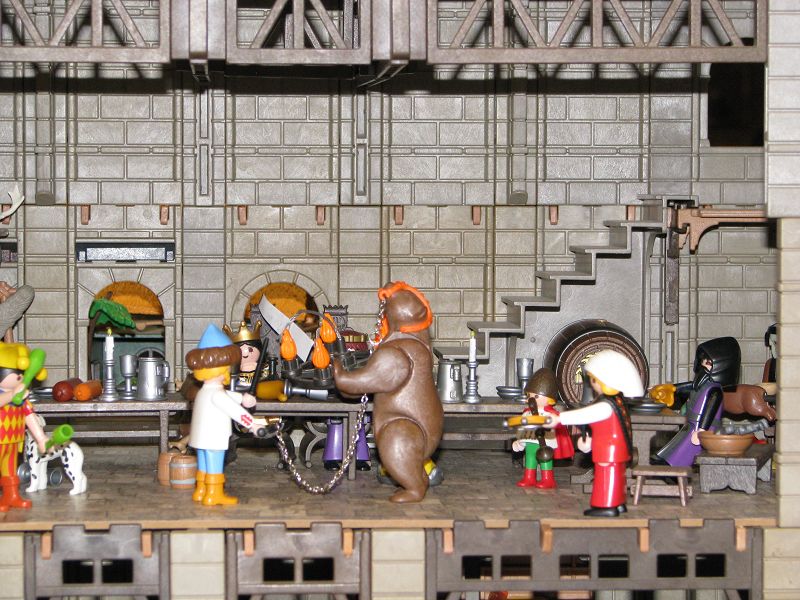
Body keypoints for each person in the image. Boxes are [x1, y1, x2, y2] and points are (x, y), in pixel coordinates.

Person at [333, 281, 442, 503]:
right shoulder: (416, 346)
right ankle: (417, 477)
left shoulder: (397, 352)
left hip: (407, 429)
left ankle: (414, 487)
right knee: (397, 439)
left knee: (395, 440)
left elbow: (369, 380)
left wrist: (341, 375)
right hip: (419, 428)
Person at [543, 350, 640, 517]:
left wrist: (559, 418)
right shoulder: (617, 401)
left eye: (594, 380)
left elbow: (585, 415)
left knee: (605, 477)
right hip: (616, 447)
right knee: (617, 476)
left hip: (608, 449)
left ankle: (606, 505)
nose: (592, 384)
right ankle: (618, 503)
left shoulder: (605, 405)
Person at [186, 324, 263, 506]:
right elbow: (235, 411)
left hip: (200, 439)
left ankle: (201, 490)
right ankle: (214, 494)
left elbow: (223, 395)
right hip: (214, 438)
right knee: (214, 465)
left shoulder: (204, 391)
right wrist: (253, 424)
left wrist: (242, 398)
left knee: (203, 464)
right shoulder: (216, 394)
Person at [653, 336, 740, 467]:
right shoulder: (702, 384)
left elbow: (710, 411)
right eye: (703, 361)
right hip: (691, 424)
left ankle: (673, 467)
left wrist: (702, 431)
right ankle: (664, 459)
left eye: (708, 363)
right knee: (676, 443)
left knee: (685, 449)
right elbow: (689, 387)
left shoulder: (715, 391)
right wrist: (671, 389)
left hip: (701, 428)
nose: (703, 365)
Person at [0, 342, 48, 511]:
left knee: (10, 469)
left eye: (22, 373)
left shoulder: (21, 398)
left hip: (13, 439)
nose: (20, 377)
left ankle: (11, 495)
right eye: (15, 373)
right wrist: (11, 394)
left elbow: (29, 416)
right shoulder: (9, 394)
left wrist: (41, 438)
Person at [512, 368, 573, 489]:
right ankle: (529, 477)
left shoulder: (551, 414)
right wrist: (519, 442)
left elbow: (554, 424)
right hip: (529, 441)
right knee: (530, 459)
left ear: (550, 399)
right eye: (529, 395)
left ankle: (548, 479)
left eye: (536, 396)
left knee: (545, 460)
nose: (531, 399)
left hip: (546, 442)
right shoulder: (527, 413)